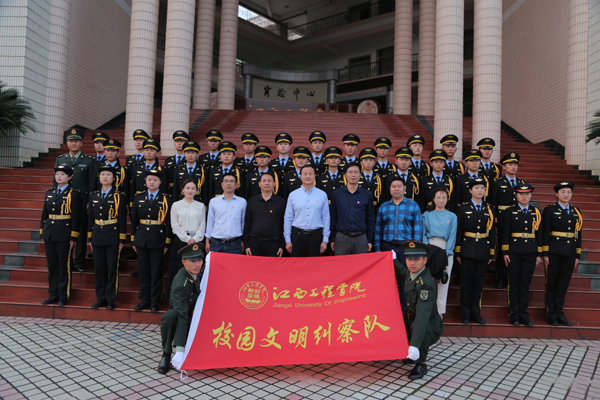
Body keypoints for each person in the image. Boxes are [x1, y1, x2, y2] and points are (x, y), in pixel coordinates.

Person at [392, 241, 443, 380]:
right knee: (399, 323)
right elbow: (404, 273)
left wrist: (414, 346)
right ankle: (410, 353)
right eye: (409, 259)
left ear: (425, 260)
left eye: (416, 259)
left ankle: (421, 364)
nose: (412, 263)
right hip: (413, 317)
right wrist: (393, 260)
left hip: (429, 323)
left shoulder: (426, 285)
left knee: (419, 327)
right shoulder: (414, 273)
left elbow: (422, 317)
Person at [374, 177, 422, 313]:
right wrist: (378, 250)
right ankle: (386, 310)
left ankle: (404, 311)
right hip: (387, 248)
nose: (396, 189)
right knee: (386, 281)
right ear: (390, 189)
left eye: (399, 186)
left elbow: (418, 230)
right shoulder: (383, 207)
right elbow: (378, 229)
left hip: (405, 249)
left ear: (404, 189)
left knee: (405, 280)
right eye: (393, 186)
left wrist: (415, 252)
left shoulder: (413, 206)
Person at [158, 243, 204, 375]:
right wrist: (180, 350)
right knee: (170, 316)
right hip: (183, 316)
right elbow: (182, 315)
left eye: (199, 260)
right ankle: (166, 354)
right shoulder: (180, 284)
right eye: (193, 261)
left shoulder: (199, 271)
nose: (197, 264)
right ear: (184, 262)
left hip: (197, 314)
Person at [455, 178, 496, 325]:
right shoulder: (463, 208)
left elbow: (492, 232)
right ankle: (465, 313)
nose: (479, 191)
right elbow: (459, 231)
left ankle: (476, 313)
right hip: (467, 249)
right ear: (470, 190)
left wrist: (491, 252)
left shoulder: (489, 209)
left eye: (482, 188)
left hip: (483, 249)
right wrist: (458, 252)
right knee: (466, 283)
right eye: (476, 188)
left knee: (478, 284)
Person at [541, 181, 582, 327]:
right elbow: (544, 232)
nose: (566, 195)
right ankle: (551, 314)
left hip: (569, 252)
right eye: (563, 192)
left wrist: (577, 254)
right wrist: (545, 253)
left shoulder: (576, 211)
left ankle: (559, 312)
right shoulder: (550, 210)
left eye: (569, 192)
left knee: (563, 284)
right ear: (556, 194)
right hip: (554, 251)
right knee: (552, 283)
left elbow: (578, 234)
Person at [40, 165, 82, 306]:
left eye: (63, 174)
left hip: (64, 233)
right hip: (50, 232)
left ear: (70, 177)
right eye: (57, 173)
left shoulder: (74, 194)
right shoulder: (50, 193)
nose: (59, 176)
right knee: (52, 265)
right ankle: (53, 294)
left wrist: (74, 236)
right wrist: (42, 231)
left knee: (64, 265)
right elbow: (44, 214)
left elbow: (77, 217)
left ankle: (63, 295)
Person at [53, 128, 94, 272]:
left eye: (76, 141)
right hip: (64, 201)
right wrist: (55, 199)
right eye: (71, 141)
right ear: (67, 143)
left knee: (81, 232)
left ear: (81, 143)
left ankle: (79, 262)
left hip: (82, 201)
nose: (74, 143)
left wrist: (89, 201)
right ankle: (67, 261)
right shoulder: (61, 159)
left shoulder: (88, 160)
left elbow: (91, 182)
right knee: (65, 231)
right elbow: (55, 181)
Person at [131, 168, 172, 312]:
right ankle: (145, 299)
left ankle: (155, 300)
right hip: (142, 238)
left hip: (158, 238)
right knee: (143, 271)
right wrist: (133, 239)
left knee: (156, 271)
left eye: (155, 180)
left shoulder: (166, 199)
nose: (152, 182)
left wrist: (167, 241)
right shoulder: (138, 197)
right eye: (149, 180)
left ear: (160, 182)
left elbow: (169, 222)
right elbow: (134, 220)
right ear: (145, 181)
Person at [501, 183, 542, 326]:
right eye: (521, 194)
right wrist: (505, 252)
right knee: (513, 284)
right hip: (514, 252)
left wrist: (539, 253)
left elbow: (540, 234)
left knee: (525, 285)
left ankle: (524, 314)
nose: (524, 197)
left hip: (530, 252)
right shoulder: (510, 212)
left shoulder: (536, 212)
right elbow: (505, 233)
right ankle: (514, 314)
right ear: (516, 195)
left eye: (527, 194)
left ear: (531, 195)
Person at [87, 165, 127, 310]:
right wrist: (90, 237)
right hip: (97, 235)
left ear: (114, 178)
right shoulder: (93, 196)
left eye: (108, 174)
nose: (105, 177)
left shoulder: (119, 196)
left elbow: (122, 219)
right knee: (99, 269)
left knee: (112, 269)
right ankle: (100, 298)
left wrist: (121, 239)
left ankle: (110, 299)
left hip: (112, 236)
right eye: (102, 174)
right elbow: (90, 219)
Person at [490, 152, 527, 288]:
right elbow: (492, 205)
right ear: (504, 167)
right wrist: (494, 223)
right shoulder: (497, 183)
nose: (513, 167)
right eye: (510, 164)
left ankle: (512, 278)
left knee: (514, 250)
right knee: (502, 250)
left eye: (515, 164)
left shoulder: (522, 183)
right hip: (502, 221)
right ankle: (501, 278)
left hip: (518, 222)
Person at [168, 179, 205, 301]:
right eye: (187, 188)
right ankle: (176, 299)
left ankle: (194, 299)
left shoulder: (200, 206)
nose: (190, 190)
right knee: (178, 270)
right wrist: (187, 238)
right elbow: (175, 225)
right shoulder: (176, 205)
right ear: (182, 189)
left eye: (193, 188)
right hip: (180, 241)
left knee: (195, 270)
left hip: (196, 242)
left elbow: (202, 224)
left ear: (196, 190)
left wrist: (195, 238)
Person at [422, 188, 457, 316]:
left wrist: (448, 250)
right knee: (428, 280)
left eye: (444, 197)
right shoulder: (426, 215)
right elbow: (423, 232)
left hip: (445, 249)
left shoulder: (452, 216)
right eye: (438, 197)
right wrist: (427, 247)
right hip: (430, 248)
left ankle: (440, 311)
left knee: (443, 281)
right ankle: (428, 309)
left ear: (447, 200)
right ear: (433, 199)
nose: (441, 200)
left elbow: (452, 235)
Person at [284, 165, 330, 257]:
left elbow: (326, 218)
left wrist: (325, 240)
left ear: (314, 176)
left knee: (314, 264)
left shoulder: (322, 195)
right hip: (298, 236)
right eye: (305, 174)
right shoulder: (293, 195)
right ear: (300, 176)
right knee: (297, 264)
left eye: (310, 174)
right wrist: (288, 240)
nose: (308, 176)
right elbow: (288, 218)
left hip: (315, 236)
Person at [330, 164, 375, 255]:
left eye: (356, 172)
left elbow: (370, 219)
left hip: (361, 237)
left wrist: (369, 240)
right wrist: (332, 238)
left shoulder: (367, 194)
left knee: (361, 263)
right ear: (346, 175)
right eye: (350, 172)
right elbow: (333, 217)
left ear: (360, 175)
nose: (353, 175)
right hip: (342, 237)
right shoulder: (337, 194)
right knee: (341, 263)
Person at [243, 172, 286, 257]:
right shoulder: (252, 201)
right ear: (259, 184)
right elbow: (247, 224)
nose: (267, 183)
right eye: (264, 181)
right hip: (254, 243)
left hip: (274, 244)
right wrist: (247, 244)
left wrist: (282, 245)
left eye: (269, 181)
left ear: (274, 184)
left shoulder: (281, 202)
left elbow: (284, 224)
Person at [205, 172, 247, 254]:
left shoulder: (242, 202)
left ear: (236, 185)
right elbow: (210, 222)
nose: (228, 183)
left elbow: (243, 223)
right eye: (226, 181)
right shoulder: (214, 201)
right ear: (222, 184)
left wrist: (243, 240)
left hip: (235, 243)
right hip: (216, 242)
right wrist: (207, 241)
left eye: (232, 181)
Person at [130, 138, 165, 208]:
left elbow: (164, 188)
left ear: (157, 153)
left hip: (155, 201)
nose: (149, 152)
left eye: (152, 150)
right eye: (146, 150)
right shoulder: (136, 168)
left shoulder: (162, 169)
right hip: (139, 201)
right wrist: (131, 203)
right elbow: (132, 186)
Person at [172, 140, 207, 205]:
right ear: (184, 154)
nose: (190, 155)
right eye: (188, 153)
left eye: (193, 153)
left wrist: (205, 205)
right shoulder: (178, 170)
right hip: (181, 201)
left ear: (197, 155)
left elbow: (205, 191)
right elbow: (175, 190)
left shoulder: (203, 170)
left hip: (198, 202)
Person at [357, 147, 383, 212]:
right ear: (361, 162)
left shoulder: (379, 178)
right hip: (359, 209)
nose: (368, 162)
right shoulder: (357, 178)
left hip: (375, 210)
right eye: (365, 160)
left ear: (374, 162)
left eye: (371, 160)